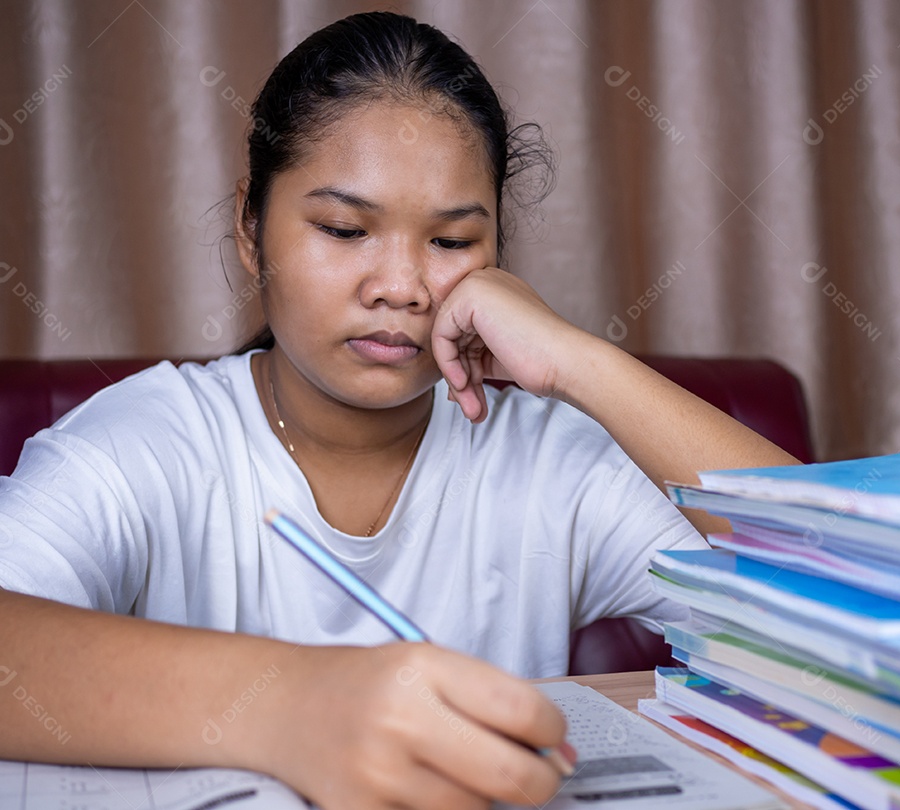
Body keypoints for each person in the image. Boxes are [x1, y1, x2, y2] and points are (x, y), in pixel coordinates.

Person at [0, 11, 797, 810]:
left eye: (451, 243)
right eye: (346, 229)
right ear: (251, 227)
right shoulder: (145, 444)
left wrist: (579, 361)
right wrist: (294, 705)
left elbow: (874, 600)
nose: (402, 287)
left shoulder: (556, 460)